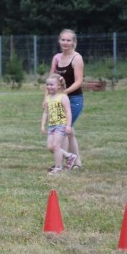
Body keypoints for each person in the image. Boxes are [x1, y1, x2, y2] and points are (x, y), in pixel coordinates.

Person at [50, 29, 84, 169]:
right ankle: (77, 163)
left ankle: (61, 165)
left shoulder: (77, 58)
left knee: (62, 131)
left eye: (68, 40)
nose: (65, 43)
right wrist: (46, 99)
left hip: (74, 100)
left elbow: (78, 82)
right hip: (58, 101)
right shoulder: (56, 58)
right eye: (63, 40)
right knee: (70, 132)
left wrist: (63, 93)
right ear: (59, 41)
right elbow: (50, 80)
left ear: (73, 42)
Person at [41, 74, 76, 175]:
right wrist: (43, 125)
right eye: (47, 84)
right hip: (52, 125)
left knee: (56, 146)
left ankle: (58, 167)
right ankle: (69, 156)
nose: (49, 87)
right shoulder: (48, 98)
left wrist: (68, 125)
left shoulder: (63, 97)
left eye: (52, 85)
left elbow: (68, 111)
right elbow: (45, 113)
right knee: (50, 147)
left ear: (59, 86)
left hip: (61, 125)